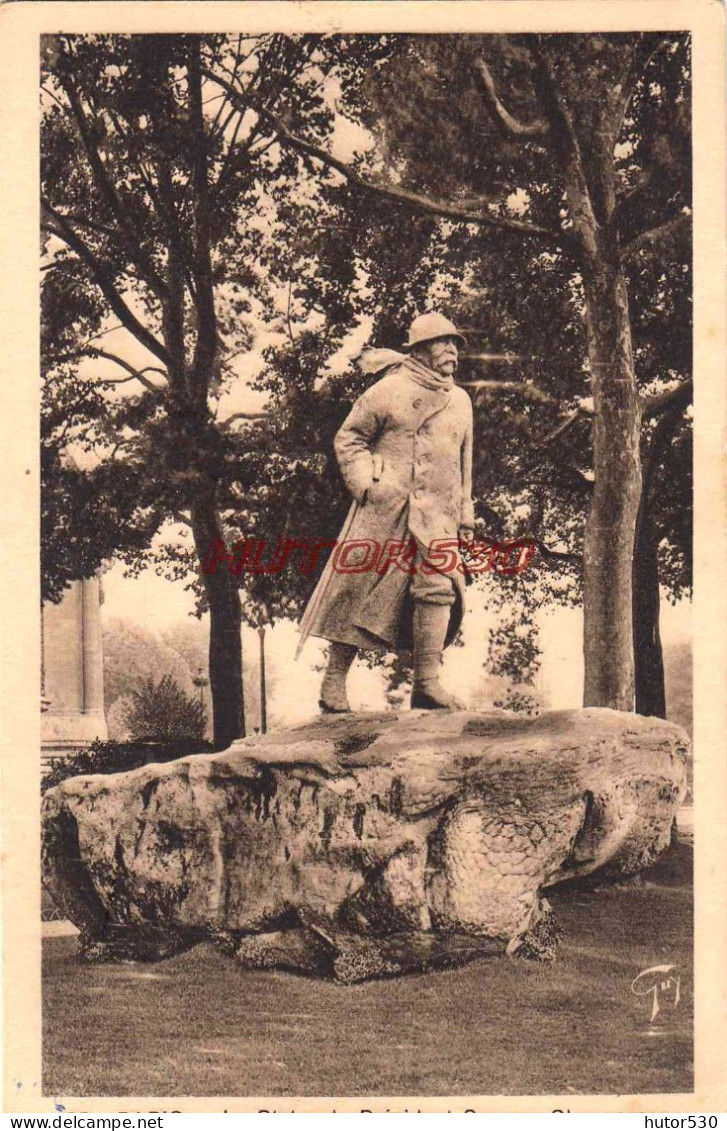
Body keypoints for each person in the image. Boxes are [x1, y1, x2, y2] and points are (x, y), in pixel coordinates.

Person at [297, 312, 475, 712]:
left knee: (439, 588)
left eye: (455, 344)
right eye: (442, 342)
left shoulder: (460, 401)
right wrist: (365, 483)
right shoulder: (387, 390)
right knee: (356, 589)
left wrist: (465, 514)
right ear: (419, 349)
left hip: (439, 515)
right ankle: (333, 687)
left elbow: (466, 464)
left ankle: (427, 684)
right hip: (388, 508)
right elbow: (349, 439)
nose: (451, 350)